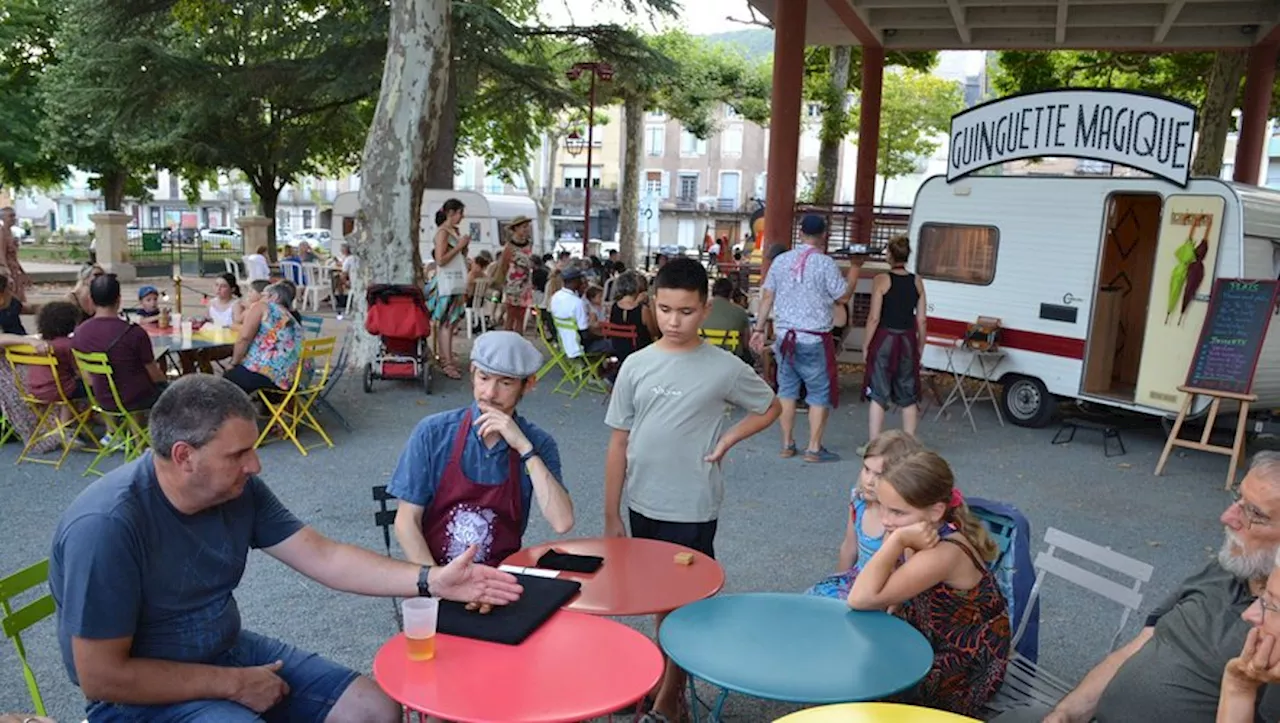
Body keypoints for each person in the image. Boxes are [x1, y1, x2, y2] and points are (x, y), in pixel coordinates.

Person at [48, 375, 522, 723]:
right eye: (238, 454)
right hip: (138, 700)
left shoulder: (235, 490)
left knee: (375, 709)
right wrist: (233, 685)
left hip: (226, 648)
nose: (255, 465)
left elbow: (323, 555)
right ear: (183, 457)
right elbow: (102, 678)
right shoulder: (108, 526)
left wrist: (430, 578)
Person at [604, 258, 781, 723]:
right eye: (664, 309)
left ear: (705, 309)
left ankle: (666, 700)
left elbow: (769, 407)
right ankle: (667, 687)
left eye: (685, 311)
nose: (673, 321)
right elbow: (618, 440)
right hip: (642, 502)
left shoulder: (724, 367)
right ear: (652, 307)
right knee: (658, 601)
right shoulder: (636, 365)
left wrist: (728, 438)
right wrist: (610, 513)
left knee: (684, 607)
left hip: (693, 507)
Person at [994, 451, 1280, 723]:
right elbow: (1141, 643)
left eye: (1254, 514)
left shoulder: (1274, 630)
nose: (1228, 517)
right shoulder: (1223, 569)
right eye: (1237, 498)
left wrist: (1238, 689)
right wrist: (1066, 713)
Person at [847, 450, 1010, 717]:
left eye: (898, 512)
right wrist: (896, 537)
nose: (886, 520)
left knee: (865, 679)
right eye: (883, 507)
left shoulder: (942, 553)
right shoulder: (915, 530)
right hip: (924, 639)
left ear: (936, 511)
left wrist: (897, 541)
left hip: (961, 669)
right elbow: (880, 590)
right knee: (860, 659)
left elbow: (860, 598)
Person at [390, 331, 572, 566]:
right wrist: (438, 582)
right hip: (435, 574)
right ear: (472, 373)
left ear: (529, 384)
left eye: (505, 383)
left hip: (499, 580)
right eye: (483, 378)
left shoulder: (539, 442)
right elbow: (406, 522)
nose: (490, 393)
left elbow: (562, 522)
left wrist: (525, 448)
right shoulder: (434, 432)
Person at [750, 215, 861, 463]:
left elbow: (767, 297)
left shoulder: (780, 262)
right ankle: (813, 447)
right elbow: (842, 296)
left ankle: (787, 443)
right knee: (818, 393)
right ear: (824, 235)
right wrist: (855, 269)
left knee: (787, 391)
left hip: (785, 339)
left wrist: (758, 329)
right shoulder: (825, 264)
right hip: (814, 339)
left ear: (800, 233)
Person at [805, 431, 923, 599]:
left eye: (879, 475)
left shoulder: (902, 520)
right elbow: (849, 547)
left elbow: (903, 578)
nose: (869, 481)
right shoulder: (858, 502)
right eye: (867, 469)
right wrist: (837, 585)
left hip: (884, 592)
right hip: (855, 581)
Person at [862, 235, 927, 448]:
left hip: (885, 338)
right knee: (908, 392)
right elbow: (922, 319)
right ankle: (910, 446)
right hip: (907, 338)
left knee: (879, 392)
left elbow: (874, 317)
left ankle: (874, 445)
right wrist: (921, 345)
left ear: (889, 255)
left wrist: (866, 344)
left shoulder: (881, 280)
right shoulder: (917, 281)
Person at [71, 274, 166, 412]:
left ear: (91, 300)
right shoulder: (134, 333)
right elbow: (154, 374)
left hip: (101, 398)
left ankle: (117, 431)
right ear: (119, 300)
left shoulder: (79, 332)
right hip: (137, 399)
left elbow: (86, 375)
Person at [224, 282, 302, 395]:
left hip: (272, 375)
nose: (261, 298)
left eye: (264, 295)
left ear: (274, 296)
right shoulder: (290, 315)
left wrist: (233, 362)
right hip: (294, 377)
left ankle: (234, 411)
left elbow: (244, 338)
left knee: (226, 380)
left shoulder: (263, 307)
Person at [426, 199, 469, 380]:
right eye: (460, 213)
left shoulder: (454, 231)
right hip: (446, 283)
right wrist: (459, 247)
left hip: (454, 282)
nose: (462, 217)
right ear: (451, 213)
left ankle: (447, 356)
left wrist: (463, 248)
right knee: (446, 323)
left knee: (451, 323)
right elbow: (441, 260)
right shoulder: (442, 232)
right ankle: (447, 361)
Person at [26, 301, 90, 405]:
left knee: (67, 384)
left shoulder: (41, 344)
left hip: (35, 389)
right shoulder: (68, 345)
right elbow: (80, 371)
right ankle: (98, 415)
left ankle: (65, 420)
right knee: (95, 386)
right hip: (59, 390)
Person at [548, 266, 610, 356]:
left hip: (564, 341)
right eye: (580, 280)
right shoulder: (577, 303)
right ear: (574, 281)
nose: (582, 282)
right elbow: (584, 333)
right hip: (579, 346)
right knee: (614, 344)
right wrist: (602, 335)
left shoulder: (555, 297)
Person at [607, 272, 656, 364]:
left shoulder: (613, 307)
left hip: (619, 350)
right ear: (637, 287)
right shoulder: (643, 310)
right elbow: (654, 332)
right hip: (640, 351)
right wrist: (652, 304)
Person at [700, 278, 752, 362]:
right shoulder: (740, 312)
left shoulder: (700, 309)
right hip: (732, 358)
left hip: (702, 355)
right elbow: (746, 343)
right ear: (730, 293)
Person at [499, 215, 536, 332]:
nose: (526, 229)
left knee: (521, 316)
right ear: (516, 229)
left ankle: (519, 342)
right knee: (511, 315)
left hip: (525, 284)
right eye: (523, 227)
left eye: (527, 227)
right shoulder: (509, 247)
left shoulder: (529, 244)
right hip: (512, 284)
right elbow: (503, 266)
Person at [0, 206, 30, 303]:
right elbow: (1, 253)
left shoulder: (11, 232)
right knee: (10, 300)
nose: (14, 218)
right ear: (3, 218)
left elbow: (14, 257)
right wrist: (7, 272)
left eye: (14, 216)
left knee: (19, 299)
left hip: (15, 270)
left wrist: (22, 271)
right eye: (11, 216)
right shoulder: (2, 233)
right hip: (8, 271)